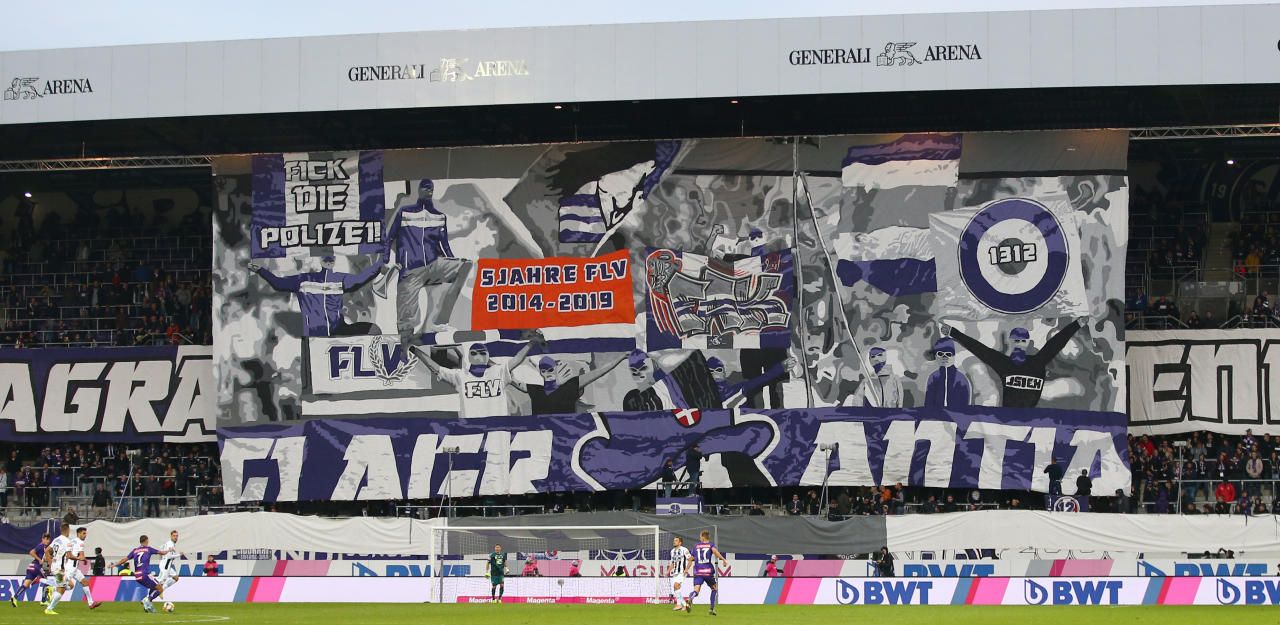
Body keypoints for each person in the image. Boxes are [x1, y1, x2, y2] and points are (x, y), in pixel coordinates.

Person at [377, 179, 473, 344]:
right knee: (406, 323)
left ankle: (441, 321)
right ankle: (405, 348)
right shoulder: (405, 213)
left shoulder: (439, 217)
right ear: (420, 190)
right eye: (425, 188)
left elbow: (444, 245)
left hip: (433, 266)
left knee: (465, 265)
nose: (429, 191)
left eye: (431, 188)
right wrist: (384, 260)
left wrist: (452, 259)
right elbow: (389, 237)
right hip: (410, 271)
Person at [943, 319, 1087, 408]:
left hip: (1030, 419)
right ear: (1010, 341)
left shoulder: (1038, 361)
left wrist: (1077, 324)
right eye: (1016, 340)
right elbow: (980, 349)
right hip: (1008, 419)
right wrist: (953, 332)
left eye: (1022, 340)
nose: (1019, 343)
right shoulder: (1004, 363)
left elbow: (1056, 343)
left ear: (1028, 342)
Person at [248, 255, 385, 337]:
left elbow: (360, 279)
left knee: (373, 329)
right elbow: (278, 283)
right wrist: (261, 271)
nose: (328, 261)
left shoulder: (337, 278)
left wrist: (379, 265)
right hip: (316, 336)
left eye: (331, 258)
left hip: (336, 331)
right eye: (326, 258)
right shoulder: (304, 279)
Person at [410, 334, 540, 419]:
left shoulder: (498, 372)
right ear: (469, 356)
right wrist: (415, 350)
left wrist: (531, 343)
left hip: (497, 429)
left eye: (482, 353)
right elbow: (435, 367)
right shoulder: (460, 376)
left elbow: (517, 359)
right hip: (471, 430)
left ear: (487, 356)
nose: (478, 355)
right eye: (474, 353)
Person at [510, 354, 626, 416]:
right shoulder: (536, 389)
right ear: (540, 372)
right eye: (544, 371)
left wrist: (620, 358)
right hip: (543, 437)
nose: (547, 374)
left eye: (550, 370)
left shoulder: (570, 385)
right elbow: (512, 379)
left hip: (565, 435)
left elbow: (599, 372)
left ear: (555, 369)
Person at [113, 534, 172, 613]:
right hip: (145, 574)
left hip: (137, 576)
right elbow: (162, 553)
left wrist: (115, 564)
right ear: (146, 540)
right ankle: (147, 600)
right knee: (160, 588)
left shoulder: (135, 550)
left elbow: (124, 559)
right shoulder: (148, 549)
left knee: (153, 587)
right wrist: (168, 550)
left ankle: (148, 606)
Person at [685, 530, 728, 615]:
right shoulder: (710, 545)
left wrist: (686, 568)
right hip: (708, 572)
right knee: (714, 588)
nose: (699, 538)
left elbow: (691, 558)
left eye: (700, 536)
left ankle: (691, 597)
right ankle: (711, 609)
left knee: (696, 590)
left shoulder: (696, 546)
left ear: (703, 537)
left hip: (698, 572)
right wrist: (723, 559)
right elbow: (715, 552)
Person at [924, 337, 971, 408]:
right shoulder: (933, 377)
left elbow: (965, 402)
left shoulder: (961, 378)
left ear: (954, 356)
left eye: (948, 354)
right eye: (940, 354)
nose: (944, 357)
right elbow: (929, 401)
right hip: (936, 414)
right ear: (936, 356)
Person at [63, 527, 101, 609]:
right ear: (78, 533)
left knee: (85, 582)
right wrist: (84, 559)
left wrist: (83, 559)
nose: (85, 535)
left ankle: (91, 603)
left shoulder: (72, 541)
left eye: (86, 533)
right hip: (70, 568)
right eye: (84, 533)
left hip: (73, 568)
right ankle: (51, 590)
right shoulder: (80, 542)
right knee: (65, 586)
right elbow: (82, 556)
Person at [10, 532, 50, 608]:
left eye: (48, 540)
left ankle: (14, 598)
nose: (48, 541)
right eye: (47, 539)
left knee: (26, 584)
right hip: (36, 567)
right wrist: (39, 560)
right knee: (47, 581)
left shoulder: (42, 548)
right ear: (43, 539)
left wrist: (43, 560)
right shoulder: (41, 546)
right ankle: (43, 600)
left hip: (31, 567)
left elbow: (42, 557)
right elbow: (31, 552)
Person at [668, 536, 692, 611]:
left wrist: (686, 569)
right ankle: (684, 605)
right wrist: (668, 571)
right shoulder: (672, 551)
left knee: (676, 585)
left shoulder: (684, 550)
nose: (674, 542)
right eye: (674, 540)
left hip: (682, 572)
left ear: (680, 542)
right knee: (676, 588)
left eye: (676, 540)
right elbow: (673, 563)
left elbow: (690, 560)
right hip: (675, 572)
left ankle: (679, 605)